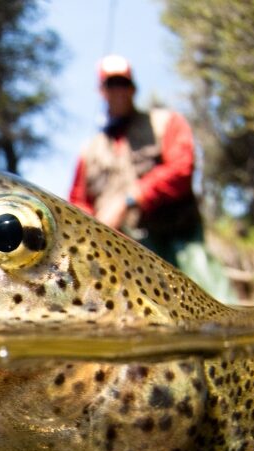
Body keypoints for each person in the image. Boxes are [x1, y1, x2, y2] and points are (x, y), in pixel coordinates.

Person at [70, 55, 235, 302]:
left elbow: (182, 169)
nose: (118, 91)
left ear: (133, 88)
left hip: (180, 243)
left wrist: (130, 199)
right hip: (123, 259)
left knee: (216, 306)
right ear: (101, 91)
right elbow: (77, 202)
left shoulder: (166, 122)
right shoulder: (88, 151)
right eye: (111, 84)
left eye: (122, 83)